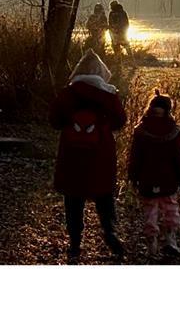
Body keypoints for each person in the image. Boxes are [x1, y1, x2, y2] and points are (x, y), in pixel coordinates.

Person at [48, 49, 127, 262]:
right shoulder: (109, 94)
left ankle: (75, 242)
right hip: (101, 153)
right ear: (101, 72)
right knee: (104, 194)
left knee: (73, 198)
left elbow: (54, 121)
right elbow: (120, 121)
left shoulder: (68, 93)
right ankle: (110, 232)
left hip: (72, 154)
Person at [127, 89, 180, 256]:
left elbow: (135, 157)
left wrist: (133, 177)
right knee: (171, 209)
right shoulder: (173, 129)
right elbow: (178, 156)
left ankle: (151, 243)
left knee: (150, 211)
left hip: (147, 178)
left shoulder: (141, 129)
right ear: (168, 109)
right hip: (169, 178)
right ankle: (170, 240)